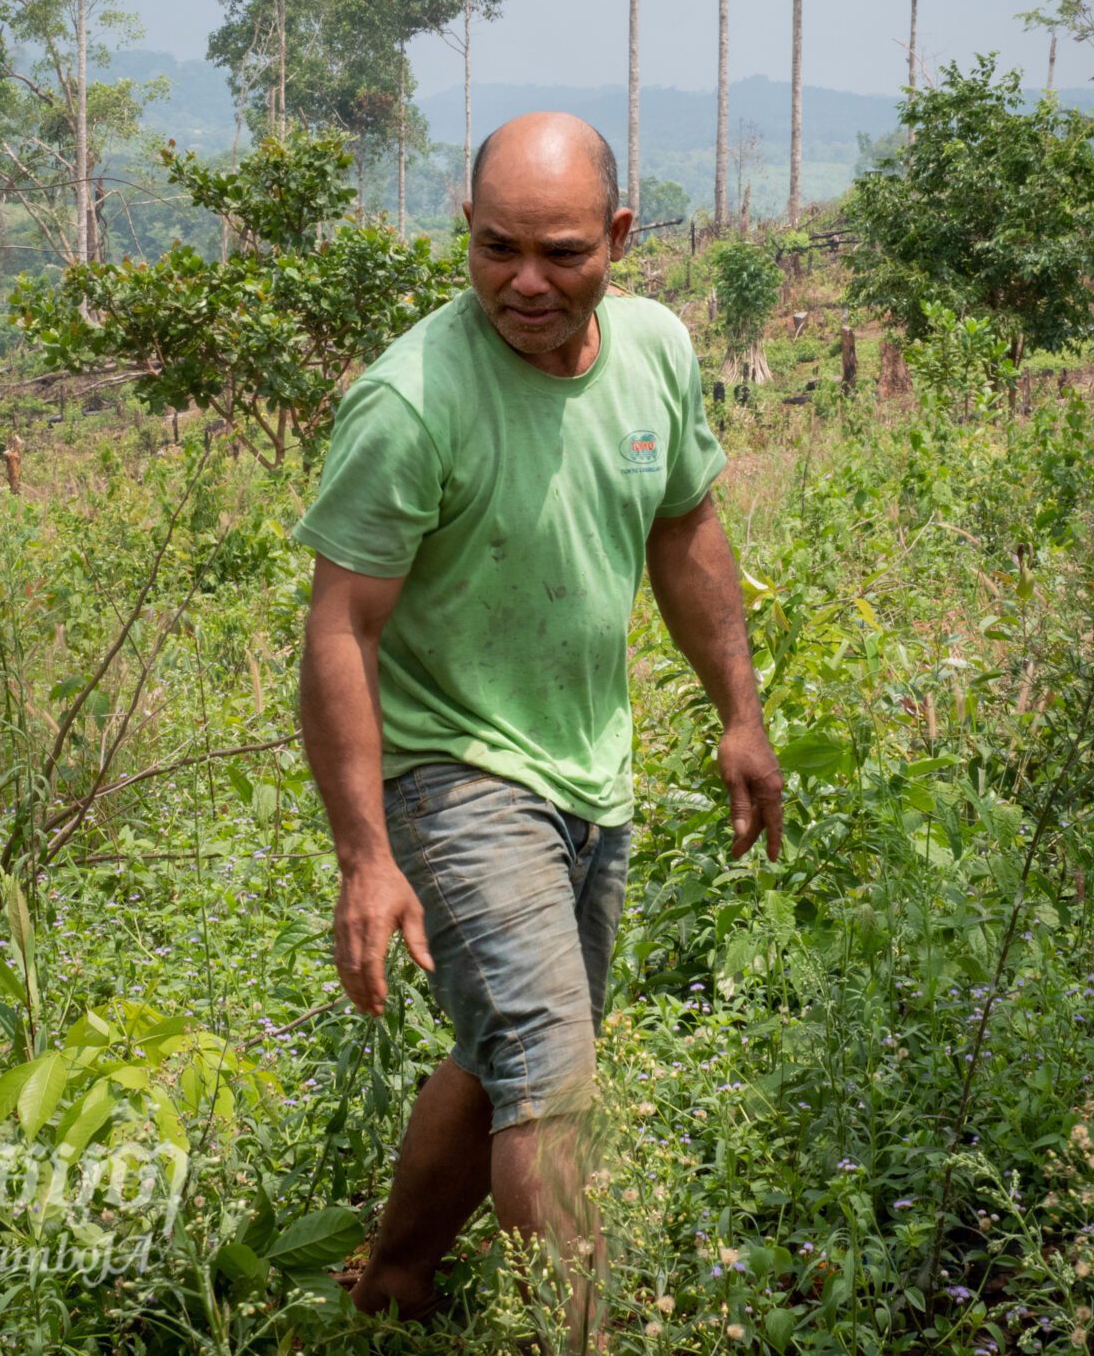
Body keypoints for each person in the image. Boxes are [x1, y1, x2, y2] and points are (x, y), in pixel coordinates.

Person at [295, 111, 782, 1334]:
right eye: (495, 247)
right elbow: (338, 631)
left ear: (617, 237)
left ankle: (395, 1283)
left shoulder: (655, 352)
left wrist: (740, 713)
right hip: (450, 772)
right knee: (552, 1083)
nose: (523, 282)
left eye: (560, 253)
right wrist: (366, 858)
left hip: (586, 768)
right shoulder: (410, 401)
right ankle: (585, 1337)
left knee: (506, 1048)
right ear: (463, 229)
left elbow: (683, 527)